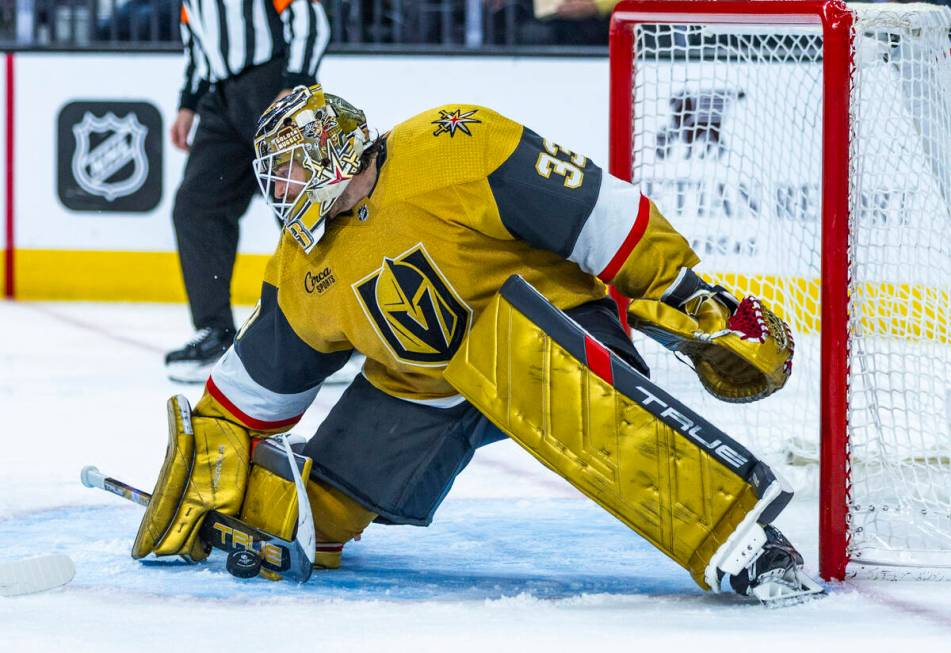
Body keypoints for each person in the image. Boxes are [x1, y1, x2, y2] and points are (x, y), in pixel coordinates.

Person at [133, 85, 822, 604]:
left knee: (537, 375)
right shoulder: (301, 266)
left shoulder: (452, 143)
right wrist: (216, 446)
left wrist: (684, 291)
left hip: (549, 331)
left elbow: (594, 212)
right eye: (273, 176)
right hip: (426, 388)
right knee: (294, 507)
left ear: (332, 146)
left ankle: (745, 541)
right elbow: (263, 376)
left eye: (289, 168)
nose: (280, 191)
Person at [164, 0, 331, 383]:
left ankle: (334, 333)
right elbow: (198, 42)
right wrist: (189, 102)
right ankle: (215, 332)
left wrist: (295, 84)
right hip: (220, 99)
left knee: (303, 208)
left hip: (275, 88)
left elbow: (310, 20)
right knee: (196, 207)